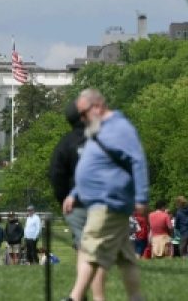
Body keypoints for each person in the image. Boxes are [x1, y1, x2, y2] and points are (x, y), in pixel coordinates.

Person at [62, 89, 149, 301]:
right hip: (102, 201)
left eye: (83, 113)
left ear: (98, 106)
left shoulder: (120, 128)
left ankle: (75, 297)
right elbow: (91, 166)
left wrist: (141, 197)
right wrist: (74, 193)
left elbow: (137, 160)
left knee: (89, 251)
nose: (81, 119)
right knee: (126, 259)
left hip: (108, 201)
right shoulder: (97, 129)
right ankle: (136, 297)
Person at [49, 100, 87, 248]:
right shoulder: (103, 139)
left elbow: (56, 175)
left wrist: (64, 199)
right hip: (102, 203)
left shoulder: (65, 143)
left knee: (84, 247)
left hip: (76, 203)